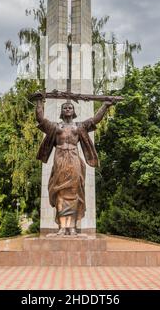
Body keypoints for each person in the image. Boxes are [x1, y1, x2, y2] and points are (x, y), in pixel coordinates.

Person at [35, 97, 113, 236]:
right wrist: (39, 102)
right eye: (65, 108)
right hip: (60, 159)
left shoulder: (79, 127)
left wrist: (105, 106)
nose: (67, 109)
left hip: (75, 159)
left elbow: (95, 120)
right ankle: (62, 227)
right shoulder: (56, 127)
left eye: (70, 108)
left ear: (73, 111)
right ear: (61, 111)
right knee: (60, 193)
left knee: (74, 192)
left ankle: (71, 227)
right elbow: (40, 119)